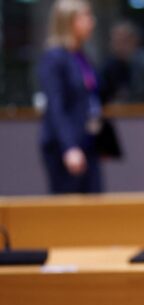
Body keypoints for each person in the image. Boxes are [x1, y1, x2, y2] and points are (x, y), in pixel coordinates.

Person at [37, 0, 102, 193]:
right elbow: (56, 107)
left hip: (88, 142)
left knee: (95, 211)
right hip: (65, 147)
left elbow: (90, 100)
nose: (92, 22)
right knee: (69, 214)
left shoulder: (81, 55)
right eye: (86, 17)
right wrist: (70, 147)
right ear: (69, 22)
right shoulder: (54, 57)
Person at [99, 20, 142, 104]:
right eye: (116, 40)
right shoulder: (107, 69)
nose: (119, 45)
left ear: (135, 41)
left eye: (124, 40)